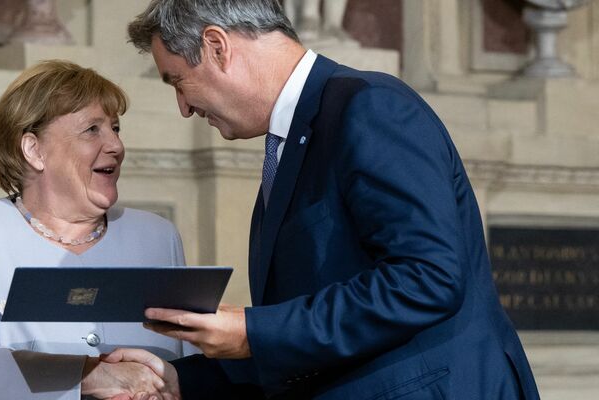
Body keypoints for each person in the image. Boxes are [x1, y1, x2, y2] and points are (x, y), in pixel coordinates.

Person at [122, 0, 541, 398]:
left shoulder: (371, 106)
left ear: (217, 47)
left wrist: (254, 331)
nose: (184, 107)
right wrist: (183, 382)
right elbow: (316, 333)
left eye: (178, 81)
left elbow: (427, 277)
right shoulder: (296, 139)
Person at [0, 60, 185, 400]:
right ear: (34, 149)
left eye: (116, 128)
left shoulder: (157, 237)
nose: (116, 147)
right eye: (92, 129)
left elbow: (188, 367)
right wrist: (91, 375)